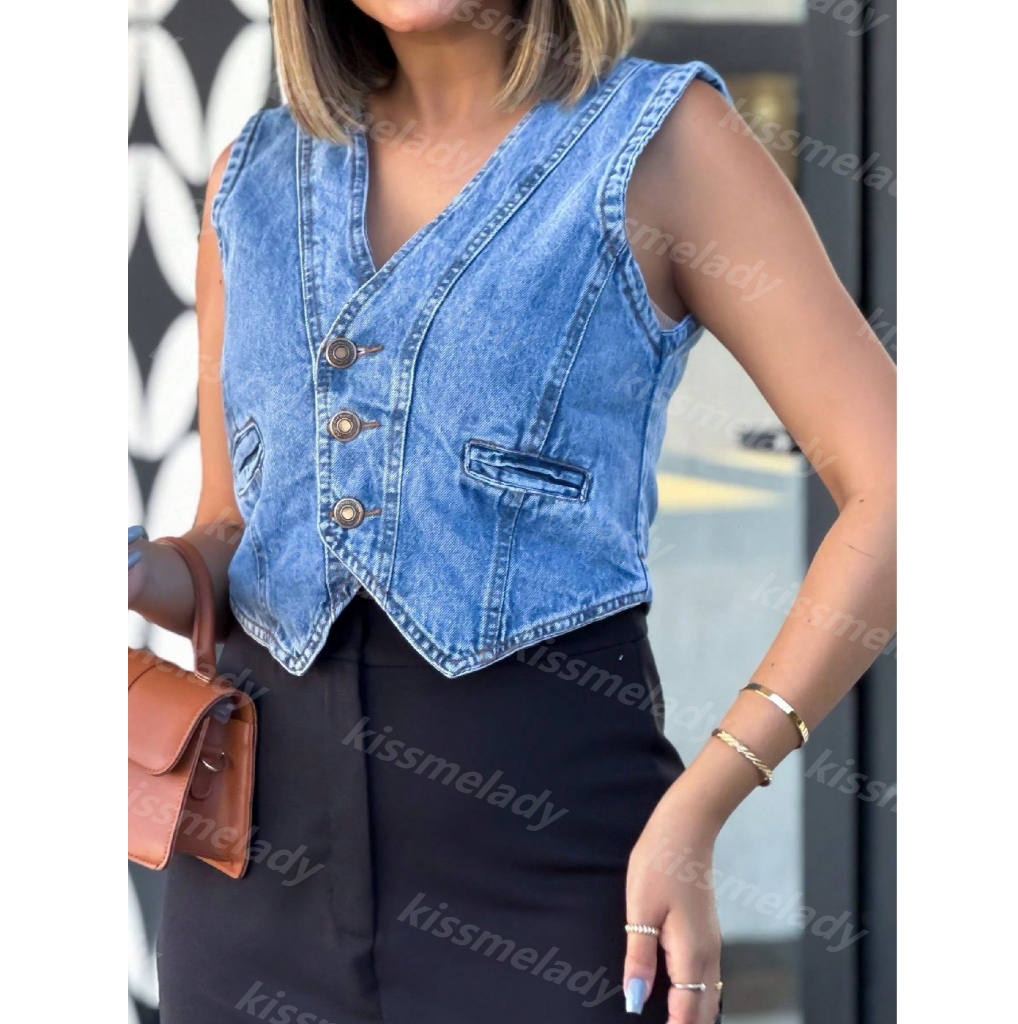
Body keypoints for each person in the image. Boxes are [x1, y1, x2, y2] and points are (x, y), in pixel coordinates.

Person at [127, 2, 896, 1022]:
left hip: (559, 886)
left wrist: (708, 798)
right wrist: (140, 572)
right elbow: (233, 534)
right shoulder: (250, 177)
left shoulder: (665, 142)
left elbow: (899, 490)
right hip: (249, 899)